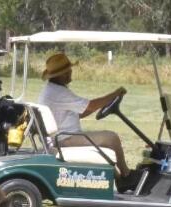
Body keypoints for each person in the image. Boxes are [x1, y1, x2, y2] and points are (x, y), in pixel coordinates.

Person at [38, 52, 140, 192]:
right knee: (112, 138)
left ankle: (119, 179)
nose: (70, 73)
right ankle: (127, 175)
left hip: (63, 136)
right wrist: (114, 94)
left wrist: (103, 104)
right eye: (67, 71)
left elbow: (82, 111)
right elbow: (90, 105)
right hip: (64, 139)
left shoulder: (54, 90)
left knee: (105, 141)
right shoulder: (58, 92)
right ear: (59, 75)